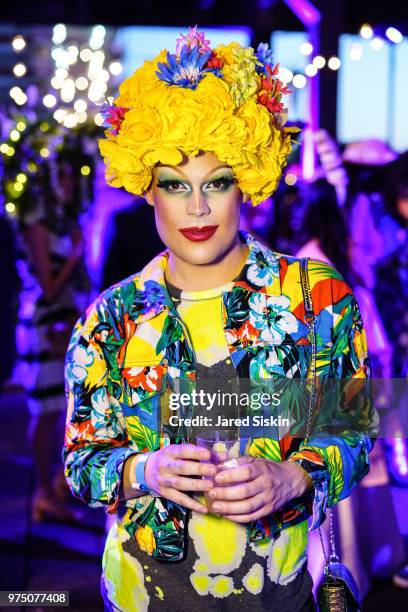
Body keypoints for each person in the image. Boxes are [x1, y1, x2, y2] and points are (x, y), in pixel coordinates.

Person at [63, 29, 376, 611]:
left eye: (217, 183)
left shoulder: (315, 298)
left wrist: (296, 477)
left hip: (277, 596)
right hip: (141, 594)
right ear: (148, 192)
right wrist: (145, 469)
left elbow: (356, 431)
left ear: (247, 184)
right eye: (176, 186)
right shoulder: (112, 317)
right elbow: (82, 461)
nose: (198, 208)